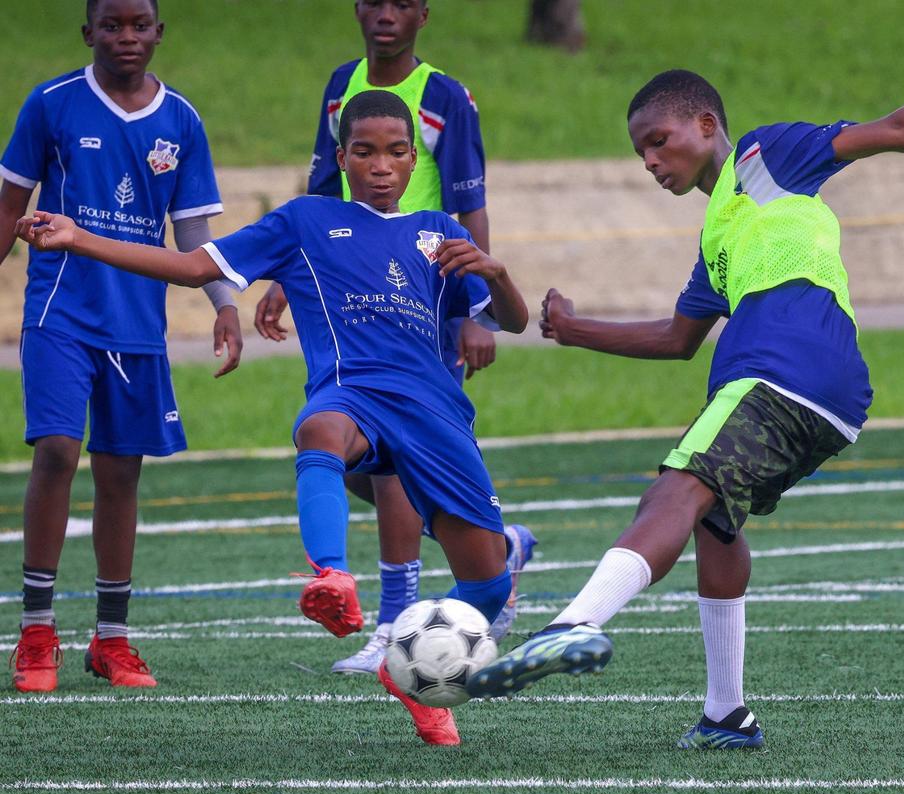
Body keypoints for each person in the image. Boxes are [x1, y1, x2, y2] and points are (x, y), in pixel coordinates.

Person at [466, 58, 904, 748]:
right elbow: (680, 338)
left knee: (674, 494)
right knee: (716, 525)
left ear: (707, 125)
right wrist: (573, 329)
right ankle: (726, 715)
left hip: (787, 367)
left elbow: (900, 129)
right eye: (639, 151)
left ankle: (573, 624)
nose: (650, 161)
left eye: (659, 139)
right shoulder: (717, 233)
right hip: (816, 390)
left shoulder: (764, 156)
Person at [16, 90, 530, 746]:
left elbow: (510, 320)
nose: (380, 165)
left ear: (411, 160)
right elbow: (192, 266)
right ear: (342, 158)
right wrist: (80, 238)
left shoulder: (441, 232)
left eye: (396, 152)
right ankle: (332, 575)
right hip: (353, 393)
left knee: (486, 588)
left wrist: (498, 273)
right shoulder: (305, 221)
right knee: (318, 428)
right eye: (365, 152)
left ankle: (416, 679)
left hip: (437, 414)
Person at [254, 0, 535, 676]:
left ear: (423, 15)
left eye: (400, 3)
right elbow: (323, 185)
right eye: (373, 3)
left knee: (391, 466)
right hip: (350, 280)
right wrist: (285, 276)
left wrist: (473, 310)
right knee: (367, 464)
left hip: (424, 292)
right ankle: (492, 545)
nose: (385, 15)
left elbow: (471, 200)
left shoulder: (444, 96)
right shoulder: (340, 85)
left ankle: (391, 624)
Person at [0, 0, 242, 693]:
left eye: (140, 25)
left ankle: (111, 639)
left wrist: (224, 306)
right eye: (113, 25)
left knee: (120, 474)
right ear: (89, 33)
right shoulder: (51, 104)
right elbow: (8, 203)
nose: (127, 37)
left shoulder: (182, 121)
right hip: (60, 310)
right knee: (55, 449)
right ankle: (38, 629)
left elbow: (194, 232)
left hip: (138, 324)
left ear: (159, 33)